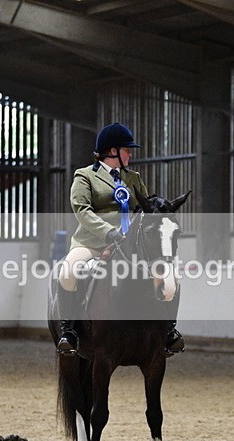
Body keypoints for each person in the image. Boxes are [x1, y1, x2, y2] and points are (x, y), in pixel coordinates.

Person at [55, 122, 185, 356]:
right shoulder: (84, 177)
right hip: (92, 243)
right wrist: (108, 232)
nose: (131, 154)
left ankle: (168, 331)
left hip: (129, 246)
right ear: (112, 151)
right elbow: (82, 211)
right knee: (69, 271)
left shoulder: (133, 177)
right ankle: (69, 331)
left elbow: (144, 209)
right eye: (127, 150)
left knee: (171, 274)